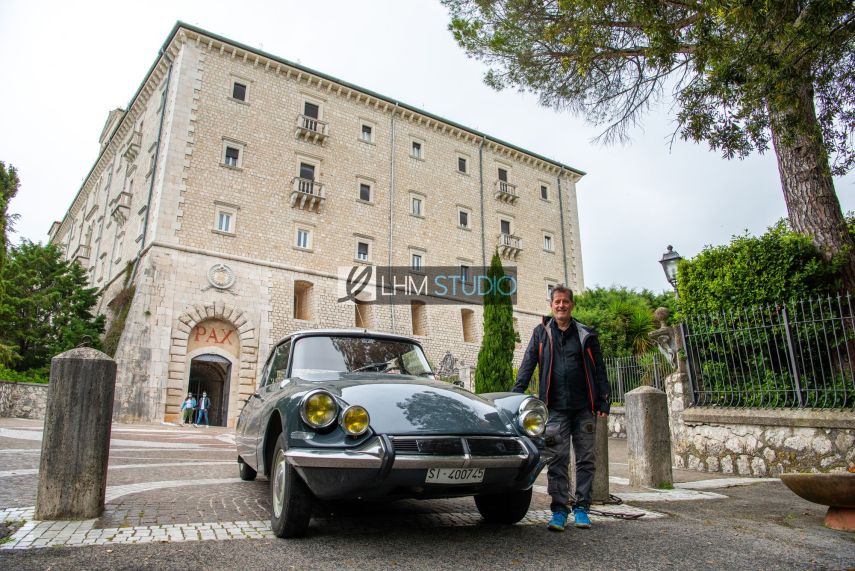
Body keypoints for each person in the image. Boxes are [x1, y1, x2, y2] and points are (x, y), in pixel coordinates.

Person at [513, 284, 610, 531]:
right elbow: (528, 363)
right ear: (551, 305)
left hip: (584, 407)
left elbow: (599, 369)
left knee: (586, 459)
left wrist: (603, 400)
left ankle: (582, 508)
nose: (561, 306)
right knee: (557, 459)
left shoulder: (586, 334)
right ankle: (558, 510)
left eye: (565, 302)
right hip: (554, 407)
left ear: (572, 305)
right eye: (557, 302)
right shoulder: (541, 332)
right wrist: (515, 394)